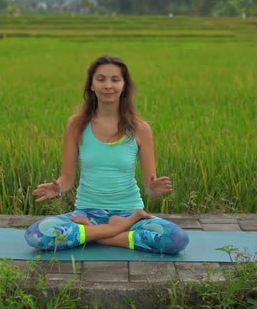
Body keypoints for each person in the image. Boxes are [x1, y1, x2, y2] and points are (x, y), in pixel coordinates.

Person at [25, 55, 189, 255]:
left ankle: (92, 234)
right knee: (36, 235)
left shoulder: (140, 129)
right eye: (101, 79)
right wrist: (58, 187)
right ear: (92, 85)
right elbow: (67, 178)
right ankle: (114, 230)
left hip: (130, 212)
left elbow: (150, 186)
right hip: (86, 214)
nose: (108, 85)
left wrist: (154, 188)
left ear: (124, 85)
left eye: (115, 79)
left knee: (176, 239)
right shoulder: (76, 125)